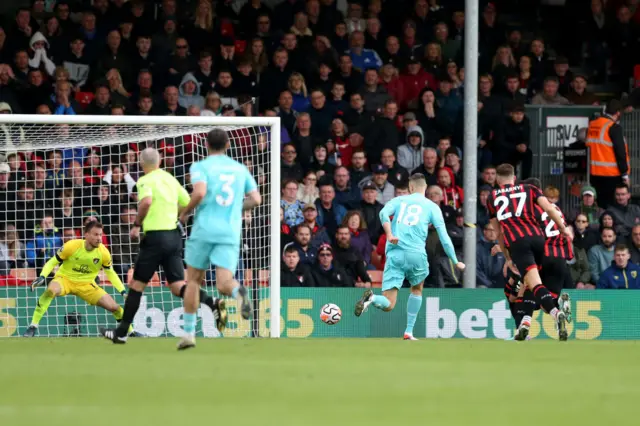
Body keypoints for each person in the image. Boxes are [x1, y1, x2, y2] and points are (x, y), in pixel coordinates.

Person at [100, 148, 223, 348]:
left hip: (155, 237)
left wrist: (137, 224)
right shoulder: (170, 179)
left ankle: (121, 333)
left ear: (141, 163)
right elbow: (187, 201)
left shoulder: (144, 180)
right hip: (174, 237)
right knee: (177, 286)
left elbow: (147, 201)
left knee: (137, 285)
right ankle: (212, 302)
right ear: (160, 161)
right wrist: (178, 216)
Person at [176, 129, 261, 350]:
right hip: (229, 232)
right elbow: (257, 199)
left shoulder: (200, 166)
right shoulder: (240, 168)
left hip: (204, 229)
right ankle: (238, 293)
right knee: (224, 282)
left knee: (193, 280)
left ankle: (188, 334)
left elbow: (200, 193)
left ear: (206, 144)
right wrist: (235, 208)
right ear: (228, 145)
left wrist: (184, 212)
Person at [353, 173, 464, 340]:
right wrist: (455, 261)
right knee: (417, 289)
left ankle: (373, 298)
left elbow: (383, 214)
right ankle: (409, 331)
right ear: (424, 188)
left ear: (410, 188)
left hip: (395, 253)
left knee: (389, 303)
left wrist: (389, 233)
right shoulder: (432, 206)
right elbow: (445, 238)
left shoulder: (399, 201)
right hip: (416, 254)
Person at [487, 164, 571, 341]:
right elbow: (549, 210)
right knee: (530, 288)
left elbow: (499, 232)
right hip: (549, 248)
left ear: (496, 179)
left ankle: (549, 315)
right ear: (514, 177)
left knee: (521, 290)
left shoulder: (494, 197)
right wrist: (564, 229)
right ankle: (530, 322)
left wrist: (507, 257)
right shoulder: (533, 193)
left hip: (522, 245)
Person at [23, 222, 134, 337]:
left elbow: (111, 273)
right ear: (86, 235)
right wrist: (42, 276)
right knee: (50, 290)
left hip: (87, 285)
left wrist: (123, 291)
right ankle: (33, 326)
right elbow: (52, 261)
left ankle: (131, 332)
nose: (99, 238)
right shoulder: (72, 246)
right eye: (95, 234)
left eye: (100, 235)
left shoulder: (103, 253)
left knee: (114, 307)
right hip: (65, 279)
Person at [585, 99, 630, 209]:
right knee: (612, 208)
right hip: (611, 175)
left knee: (599, 206)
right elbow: (620, 152)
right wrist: (624, 173)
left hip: (593, 174)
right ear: (618, 113)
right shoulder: (614, 127)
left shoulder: (592, 124)